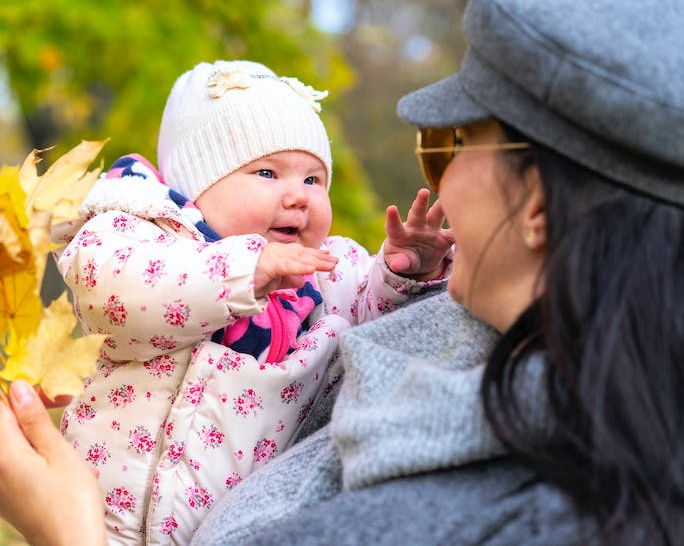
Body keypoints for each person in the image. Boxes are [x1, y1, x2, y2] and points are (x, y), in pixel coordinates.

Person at [0, 0, 684, 545]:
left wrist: (64, 533)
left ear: (536, 206)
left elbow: (354, 293)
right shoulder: (533, 386)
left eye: (454, 146)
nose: (439, 182)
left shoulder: (485, 512)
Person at [48, 59, 453, 543]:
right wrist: (246, 270)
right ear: (197, 186)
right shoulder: (139, 234)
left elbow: (370, 321)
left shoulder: (317, 270)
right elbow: (117, 295)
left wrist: (404, 273)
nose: (298, 197)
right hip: (112, 520)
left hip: (237, 528)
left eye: (312, 180)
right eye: (267, 172)